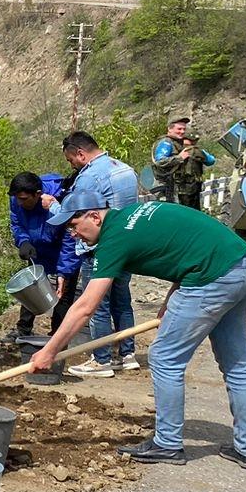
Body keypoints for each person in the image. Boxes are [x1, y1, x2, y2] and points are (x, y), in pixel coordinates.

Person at [31, 193, 246, 468]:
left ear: (94, 216)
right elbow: (186, 248)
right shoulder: (133, 215)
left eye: (73, 225)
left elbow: (85, 307)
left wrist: (50, 351)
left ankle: (168, 444)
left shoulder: (114, 238)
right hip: (243, 267)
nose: (72, 234)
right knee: (238, 365)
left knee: (164, 358)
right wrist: (169, 301)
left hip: (212, 278)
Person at [59, 131, 142, 378]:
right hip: (126, 244)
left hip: (99, 247)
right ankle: (127, 354)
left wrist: (52, 204)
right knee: (122, 301)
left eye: (71, 160)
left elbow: (76, 214)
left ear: (80, 154)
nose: (72, 165)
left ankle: (101, 359)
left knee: (97, 304)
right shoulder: (125, 169)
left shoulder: (89, 177)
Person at [7, 170, 80, 337]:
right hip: (37, 249)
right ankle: (23, 330)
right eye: (17, 198)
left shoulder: (62, 199)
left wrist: (64, 271)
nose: (19, 203)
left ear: (38, 194)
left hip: (61, 249)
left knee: (63, 292)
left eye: (24, 199)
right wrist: (23, 241)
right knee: (31, 286)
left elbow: (70, 238)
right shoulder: (17, 198)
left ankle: (57, 337)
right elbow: (17, 223)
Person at [151, 115, 191, 204]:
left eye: (184, 129)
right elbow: (160, 161)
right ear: (170, 129)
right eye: (179, 129)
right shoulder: (166, 143)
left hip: (175, 186)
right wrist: (180, 158)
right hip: (165, 187)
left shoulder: (177, 143)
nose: (182, 131)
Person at [173, 135, 216, 210]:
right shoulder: (196, 151)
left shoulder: (175, 149)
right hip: (192, 185)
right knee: (193, 209)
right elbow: (211, 161)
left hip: (177, 184)